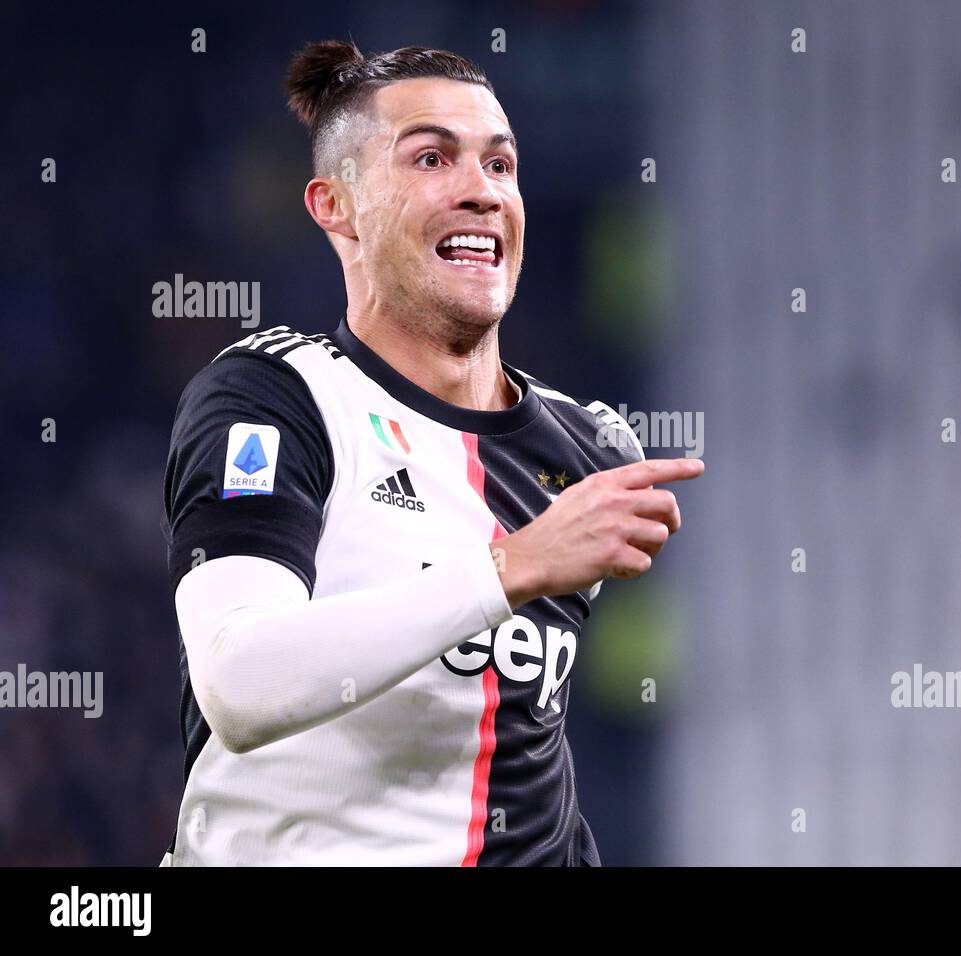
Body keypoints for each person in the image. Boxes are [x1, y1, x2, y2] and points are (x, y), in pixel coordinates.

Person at [158, 40, 704, 866]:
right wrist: (507, 568)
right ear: (335, 205)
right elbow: (239, 683)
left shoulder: (583, 451)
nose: (481, 191)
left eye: (499, 164)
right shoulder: (276, 400)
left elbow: (522, 749)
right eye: (430, 158)